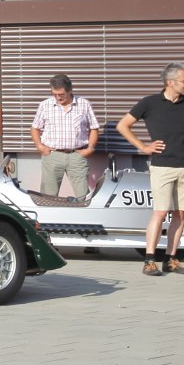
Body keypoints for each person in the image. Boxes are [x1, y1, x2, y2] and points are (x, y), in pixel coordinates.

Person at [116, 63, 184, 277]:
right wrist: (143, 147)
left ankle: (170, 259)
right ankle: (149, 260)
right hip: (162, 166)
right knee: (161, 212)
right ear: (170, 82)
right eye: (183, 81)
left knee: (181, 214)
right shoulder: (150, 103)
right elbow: (123, 125)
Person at [30, 74, 100, 197]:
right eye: (55, 94)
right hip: (53, 156)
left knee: (83, 195)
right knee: (48, 196)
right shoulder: (45, 105)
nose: (58, 97)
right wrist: (40, 147)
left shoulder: (84, 104)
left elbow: (94, 127)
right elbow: (35, 128)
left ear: (70, 90)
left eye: (61, 94)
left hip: (76, 156)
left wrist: (90, 148)